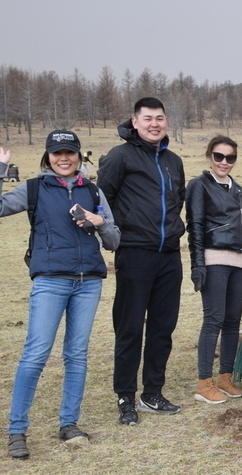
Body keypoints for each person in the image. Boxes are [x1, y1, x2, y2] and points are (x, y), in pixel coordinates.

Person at [0, 131, 120, 458]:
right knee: (36, 354)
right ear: (48, 157)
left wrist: (99, 221)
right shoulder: (34, 188)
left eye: (69, 152)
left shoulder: (93, 190)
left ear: (78, 156)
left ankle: (69, 423)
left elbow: (113, 240)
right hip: (50, 281)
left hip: (88, 282)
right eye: (57, 153)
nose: (64, 158)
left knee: (77, 354)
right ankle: (17, 430)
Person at [98, 97, 186, 425]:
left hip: (169, 255)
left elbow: (176, 201)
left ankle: (153, 393)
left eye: (159, 118)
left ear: (166, 122)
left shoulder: (173, 161)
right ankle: (126, 397)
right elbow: (102, 199)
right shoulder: (119, 156)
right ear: (135, 122)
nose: (154, 124)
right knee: (130, 327)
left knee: (163, 327)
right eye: (147, 118)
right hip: (135, 253)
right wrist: (119, 232)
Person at [186, 135, 242, 404]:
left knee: (232, 322)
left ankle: (225, 377)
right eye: (219, 156)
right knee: (214, 319)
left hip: (241, 262)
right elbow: (195, 226)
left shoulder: (238, 189)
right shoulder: (199, 185)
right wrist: (198, 264)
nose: (224, 162)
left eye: (230, 157)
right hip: (215, 258)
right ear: (210, 156)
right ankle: (204, 383)